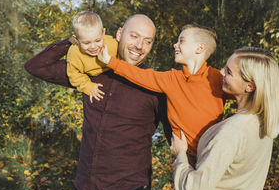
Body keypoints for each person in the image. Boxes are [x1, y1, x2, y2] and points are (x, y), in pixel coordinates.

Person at [24, 14, 171, 190]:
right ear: (118, 34)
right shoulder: (90, 70)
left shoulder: (155, 85)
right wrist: (75, 41)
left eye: (147, 41)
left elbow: (175, 135)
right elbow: (36, 67)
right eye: (134, 36)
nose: (139, 46)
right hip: (86, 189)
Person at [98, 24, 233, 165]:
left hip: (214, 152)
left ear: (200, 48)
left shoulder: (217, 78)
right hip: (186, 157)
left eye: (181, 41)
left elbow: (245, 97)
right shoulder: (171, 79)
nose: (175, 45)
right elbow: (140, 75)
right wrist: (109, 61)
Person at [170, 47, 279, 190]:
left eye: (229, 72)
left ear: (250, 86)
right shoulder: (262, 121)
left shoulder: (232, 131)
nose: (221, 73)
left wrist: (181, 156)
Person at [67, 11, 118, 103]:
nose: (93, 47)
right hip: (94, 78)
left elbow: (124, 56)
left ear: (103, 33)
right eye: (86, 43)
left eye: (98, 40)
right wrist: (88, 86)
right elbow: (74, 75)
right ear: (77, 39)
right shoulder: (75, 53)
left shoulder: (112, 44)